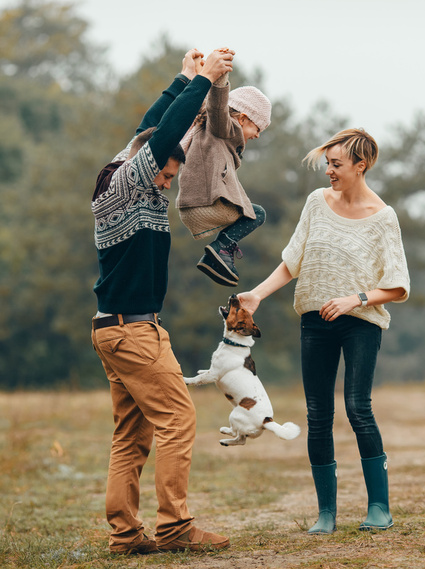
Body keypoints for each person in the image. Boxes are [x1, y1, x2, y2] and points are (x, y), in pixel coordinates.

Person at [90, 48, 234, 555]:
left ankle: (125, 536)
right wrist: (208, 81)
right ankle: (174, 526)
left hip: (115, 328)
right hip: (134, 331)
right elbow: (164, 134)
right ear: (148, 167)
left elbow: (148, 128)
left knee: (132, 434)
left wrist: (184, 77)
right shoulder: (130, 183)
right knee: (178, 420)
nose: (168, 185)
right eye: (167, 176)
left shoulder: (115, 171)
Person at [237, 128, 410, 534]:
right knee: (318, 414)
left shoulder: (383, 218)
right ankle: (326, 514)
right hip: (315, 321)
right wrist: (258, 295)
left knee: (357, 408)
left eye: (336, 164)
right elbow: (292, 261)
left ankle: (379, 508)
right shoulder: (317, 203)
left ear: (360, 166)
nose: (328, 171)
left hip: (361, 324)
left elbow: (399, 285)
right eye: (327, 164)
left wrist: (356, 299)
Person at [176, 61, 272, 286]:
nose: (258, 136)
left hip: (191, 205)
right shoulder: (223, 127)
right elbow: (218, 105)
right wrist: (220, 76)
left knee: (252, 210)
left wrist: (198, 76)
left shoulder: (208, 127)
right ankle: (220, 250)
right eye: (257, 128)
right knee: (257, 214)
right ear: (243, 118)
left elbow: (199, 101)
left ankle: (217, 254)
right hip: (207, 202)